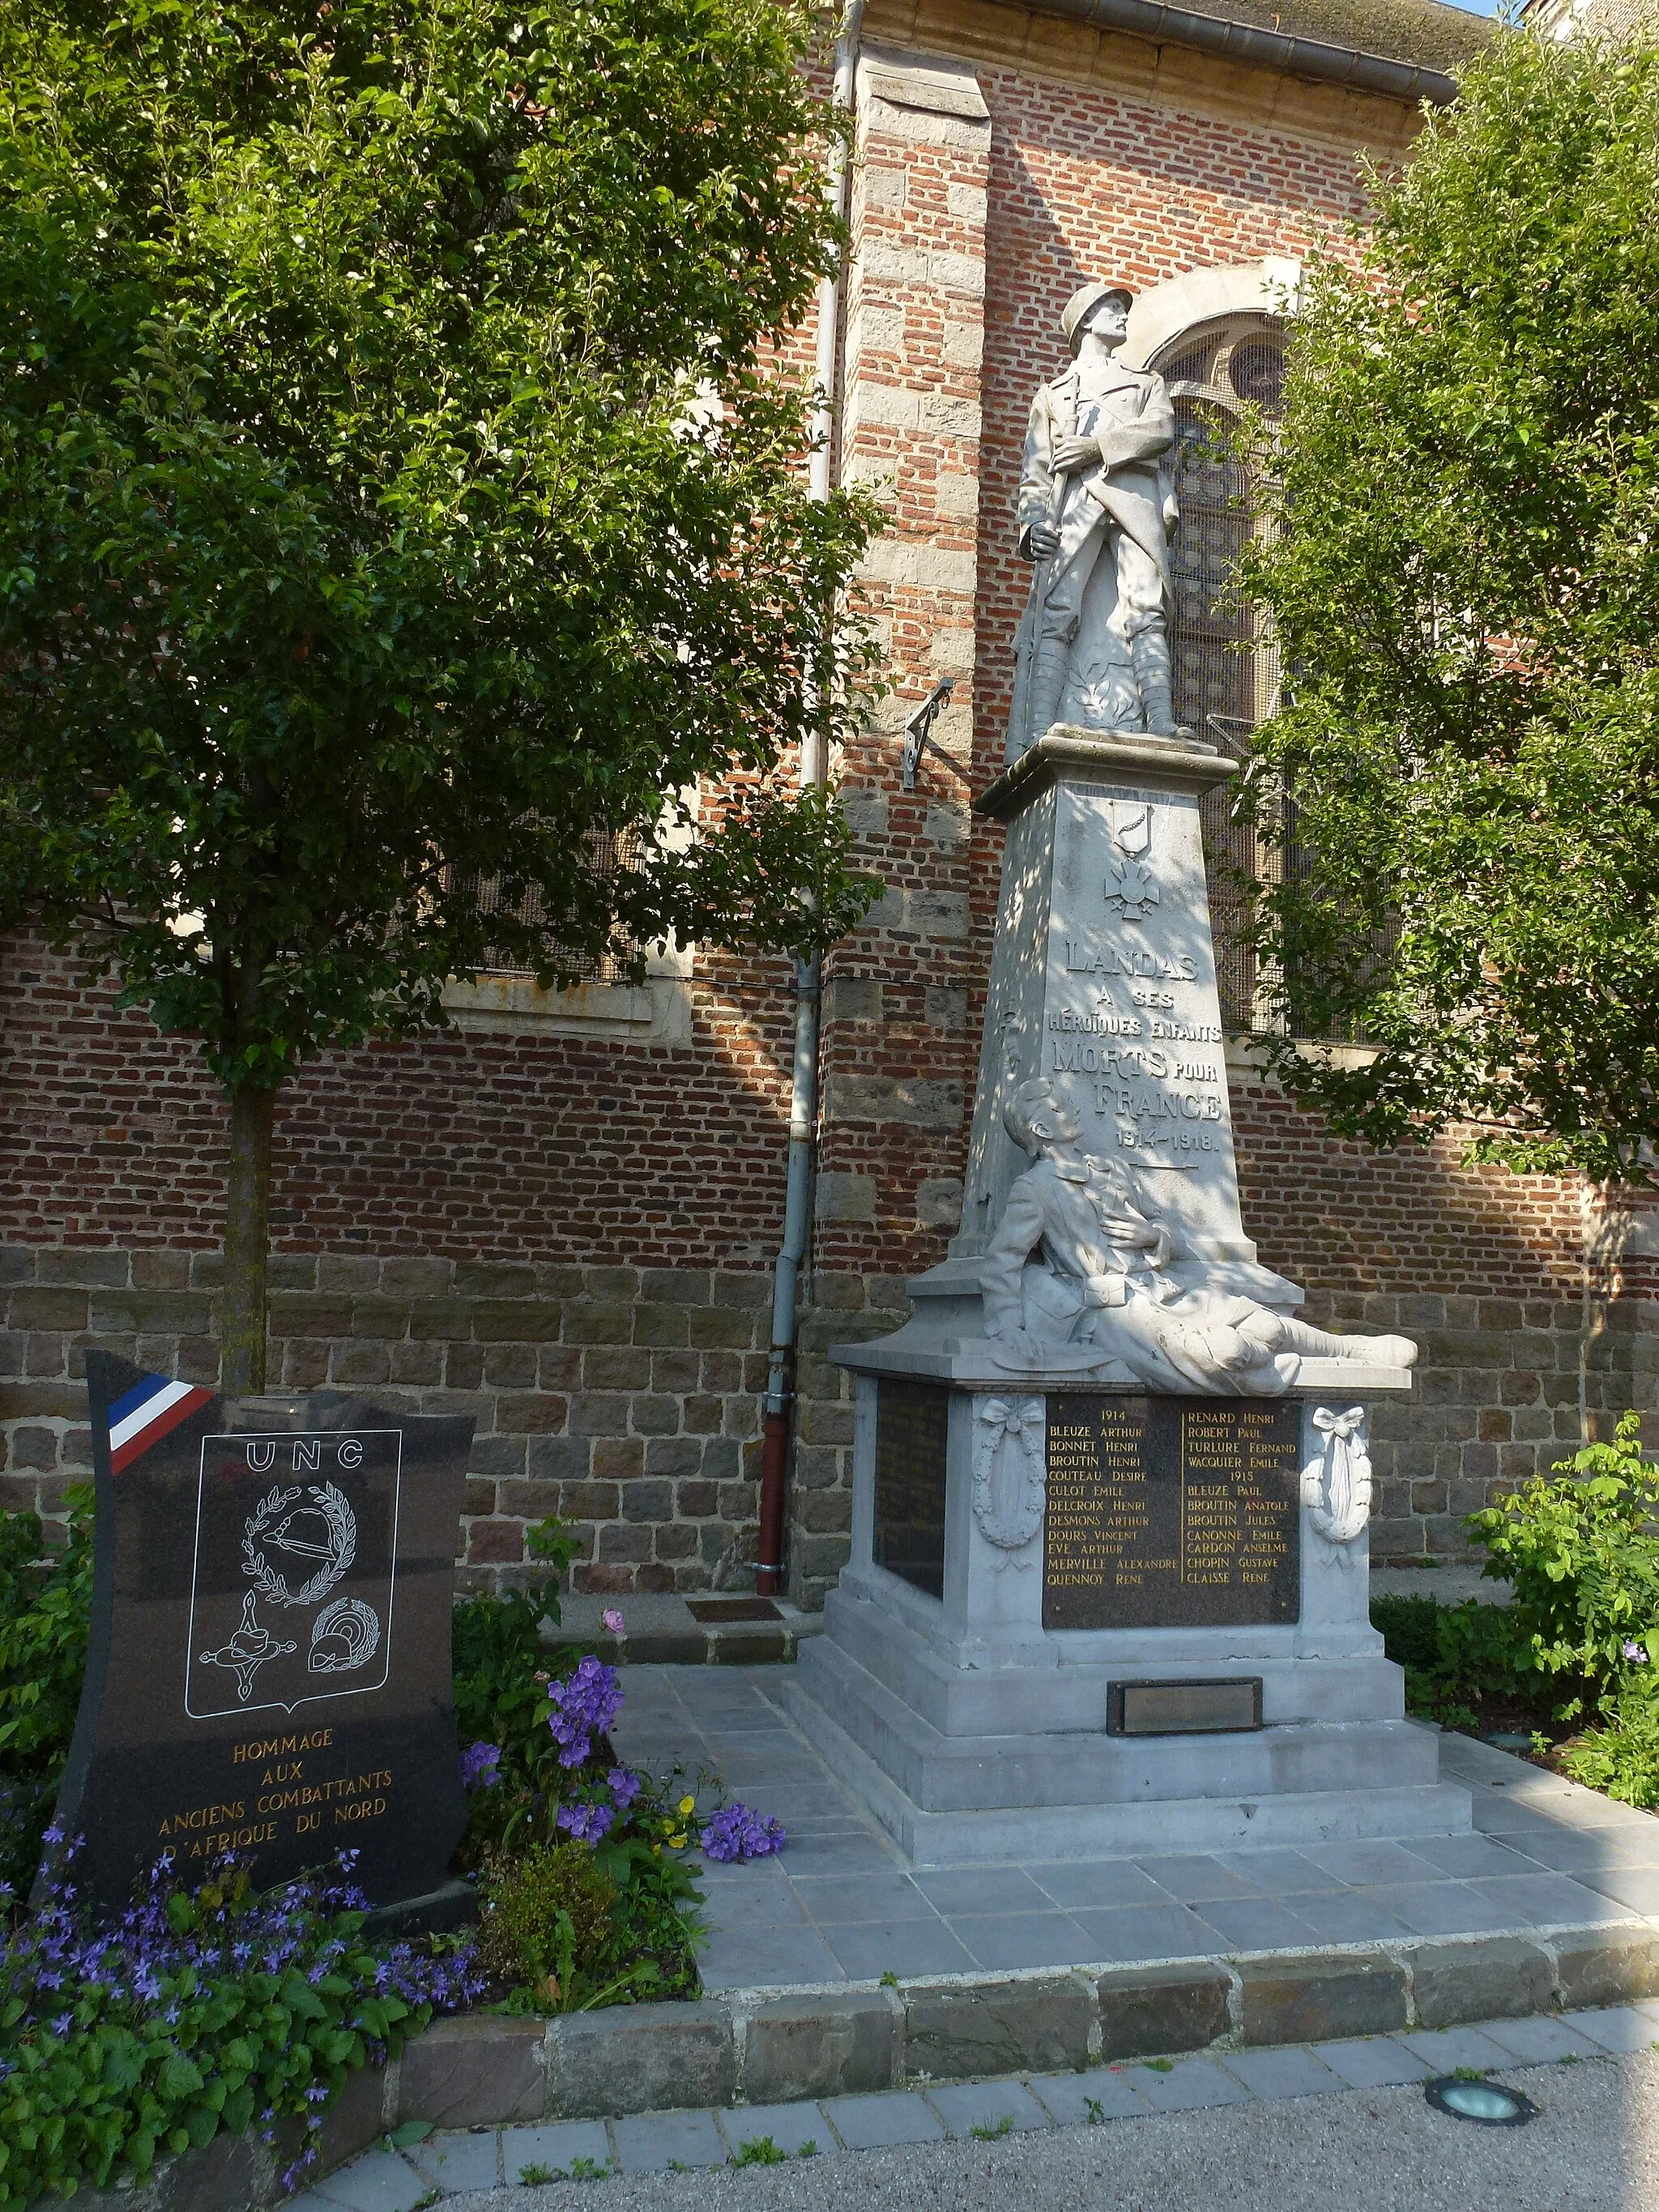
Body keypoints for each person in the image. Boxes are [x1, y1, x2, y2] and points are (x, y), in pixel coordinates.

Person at [980, 1077, 1418, 1392]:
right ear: (1041, 1130)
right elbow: (1003, 1262)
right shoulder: (1035, 1189)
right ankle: (1272, 1369)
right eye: (1057, 1109)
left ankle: (1349, 1349)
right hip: (1112, 1311)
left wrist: (1150, 1236)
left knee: (1260, 1319)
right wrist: (1008, 1327)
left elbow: (1164, 1226)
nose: (1071, 1110)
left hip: (1165, 1288)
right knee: (1223, 1351)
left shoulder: (1112, 1169)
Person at [1006, 281, 1182, 761]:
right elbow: (1034, 472)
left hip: (1131, 497)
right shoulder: (1055, 395)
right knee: (1057, 612)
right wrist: (1030, 526)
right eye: (1112, 308)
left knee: (1146, 609)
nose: (1123, 315)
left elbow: (1161, 430)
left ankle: (1161, 721)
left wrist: (1098, 447)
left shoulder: (1147, 382)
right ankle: (1037, 731)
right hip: (1073, 505)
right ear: (1085, 321)